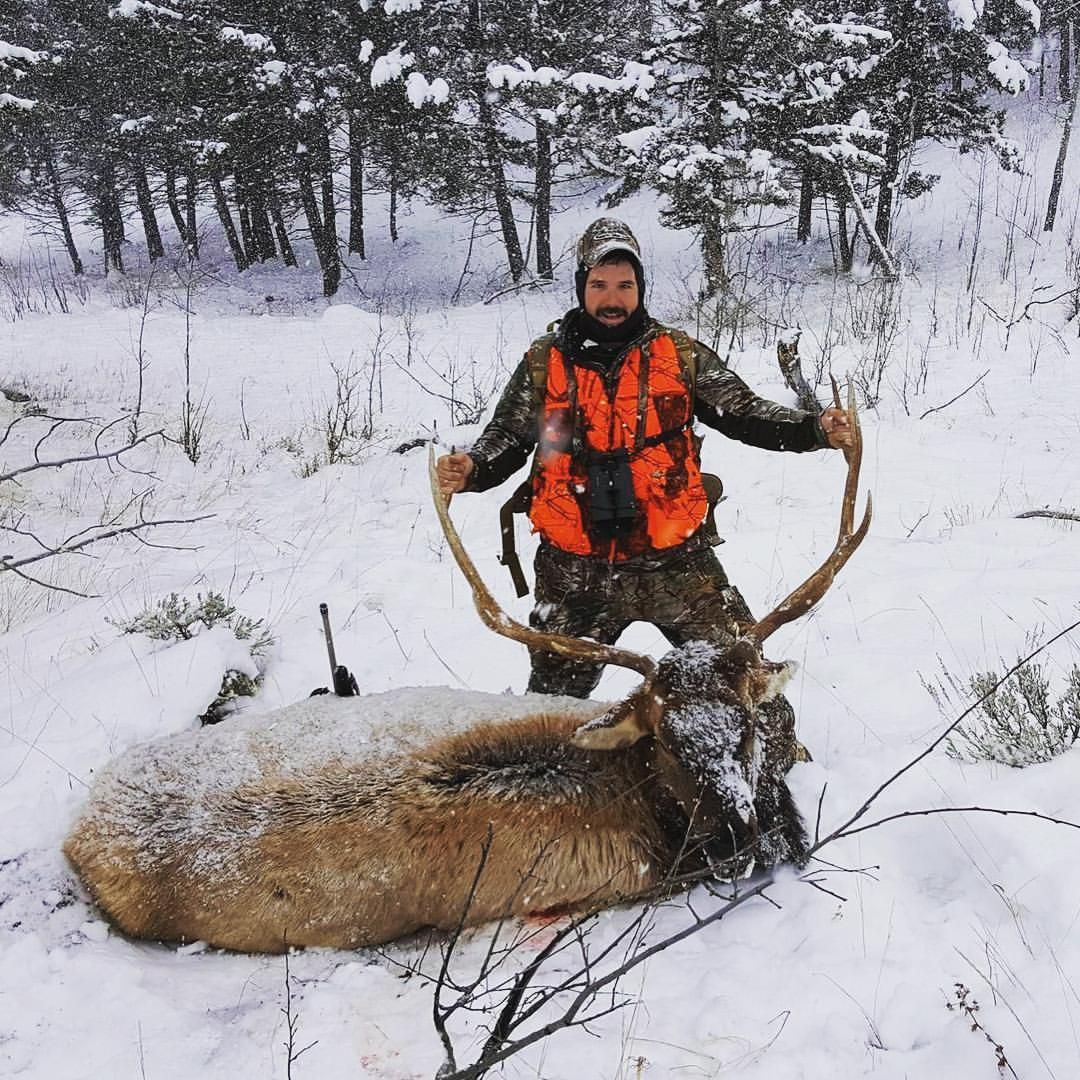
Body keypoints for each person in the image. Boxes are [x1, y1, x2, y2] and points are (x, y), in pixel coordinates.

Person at [436, 217, 854, 706]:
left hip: (676, 561)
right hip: (574, 571)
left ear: (640, 288)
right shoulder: (543, 362)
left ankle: (770, 770)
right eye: (599, 284)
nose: (612, 298)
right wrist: (473, 468)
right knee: (552, 717)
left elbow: (744, 413)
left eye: (624, 285)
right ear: (581, 286)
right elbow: (508, 435)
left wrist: (814, 429)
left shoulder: (678, 356)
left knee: (747, 689)